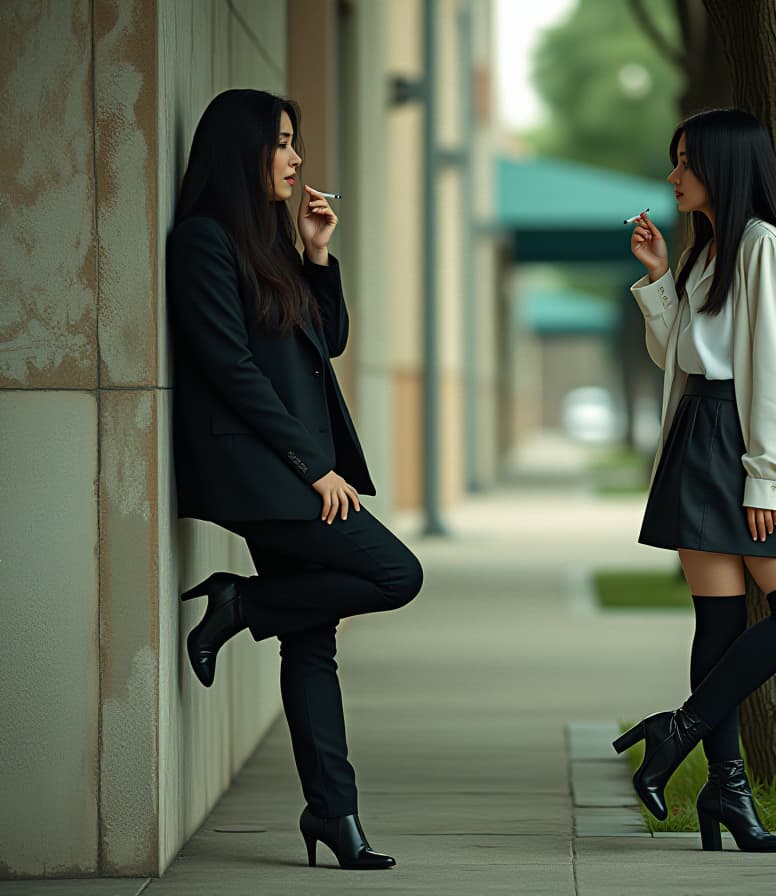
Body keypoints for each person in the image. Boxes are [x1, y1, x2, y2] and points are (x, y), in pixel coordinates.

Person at [167, 89, 422, 871]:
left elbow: (329, 339)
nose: (296, 158)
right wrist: (312, 468)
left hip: (298, 468)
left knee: (311, 645)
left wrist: (316, 253)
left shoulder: (270, 243)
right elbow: (232, 371)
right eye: (281, 142)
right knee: (395, 573)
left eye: (294, 143)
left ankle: (333, 816)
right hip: (264, 473)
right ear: (242, 149)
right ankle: (239, 602)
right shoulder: (203, 243)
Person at [612, 108, 776, 852]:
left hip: (737, 443)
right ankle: (726, 791)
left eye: (685, 163)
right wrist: (657, 278)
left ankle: (676, 732)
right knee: (719, 621)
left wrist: (765, 477)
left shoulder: (762, 246)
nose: (673, 176)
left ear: (723, 167)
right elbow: (678, 354)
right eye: (674, 162)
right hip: (698, 436)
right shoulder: (707, 250)